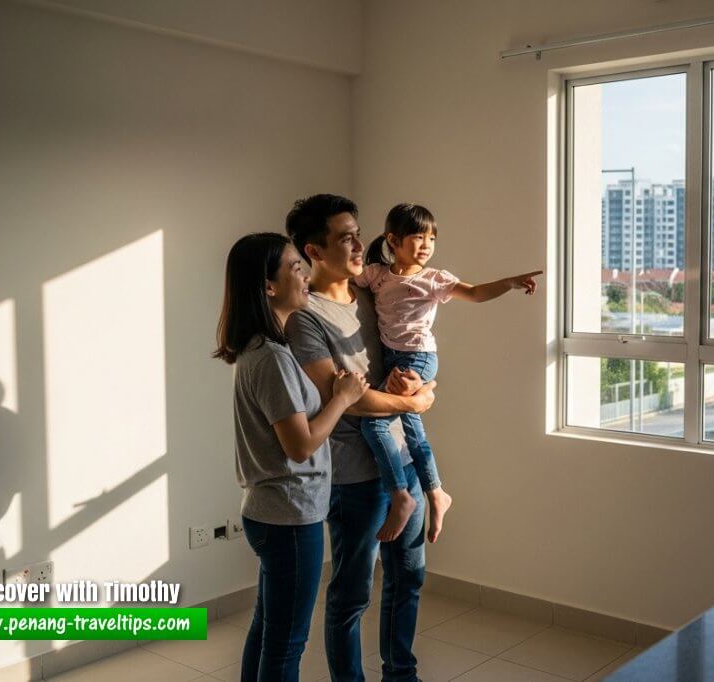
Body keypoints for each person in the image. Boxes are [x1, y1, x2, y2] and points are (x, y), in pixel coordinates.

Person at [284, 194, 434, 682]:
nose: (357, 243)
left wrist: (422, 387)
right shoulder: (305, 319)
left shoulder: (375, 294)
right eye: (344, 236)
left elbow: (414, 354)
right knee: (351, 596)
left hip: (403, 459)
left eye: (357, 232)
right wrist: (413, 404)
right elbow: (348, 396)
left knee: (408, 580)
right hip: (354, 476)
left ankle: (401, 675)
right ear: (314, 250)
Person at [213, 232, 369, 682]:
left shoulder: (259, 351)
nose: (305, 276)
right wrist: (342, 397)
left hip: (273, 514)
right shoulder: (274, 359)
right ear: (268, 286)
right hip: (290, 517)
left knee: (267, 630)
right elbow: (300, 445)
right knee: (286, 644)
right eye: (295, 267)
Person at [358, 203, 540, 542]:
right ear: (393, 240)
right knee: (412, 428)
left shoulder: (434, 278)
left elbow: (474, 292)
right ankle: (436, 493)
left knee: (374, 421)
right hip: (392, 358)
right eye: (418, 237)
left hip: (419, 359)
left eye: (432, 238)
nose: (427, 245)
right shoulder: (377, 275)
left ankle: (401, 494)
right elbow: (343, 281)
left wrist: (510, 282)